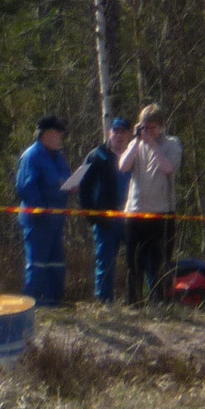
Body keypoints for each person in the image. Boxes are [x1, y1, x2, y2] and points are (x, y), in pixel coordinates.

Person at [118, 104, 182, 306]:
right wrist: (137, 141)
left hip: (161, 212)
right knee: (133, 262)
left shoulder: (171, 143)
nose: (149, 131)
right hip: (135, 212)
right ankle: (133, 302)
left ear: (161, 126)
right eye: (145, 126)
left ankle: (159, 302)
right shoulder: (135, 144)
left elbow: (169, 168)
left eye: (153, 127)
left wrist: (153, 145)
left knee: (158, 262)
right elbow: (123, 166)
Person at [73, 116, 133, 305]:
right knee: (105, 262)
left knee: (136, 260)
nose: (119, 136)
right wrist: (91, 215)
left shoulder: (135, 155)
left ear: (129, 135)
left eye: (123, 132)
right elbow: (83, 188)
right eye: (115, 131)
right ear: (109, 133)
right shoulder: (97, 155)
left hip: (132, 217)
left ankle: (135, 300)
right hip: (105, 219)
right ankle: (104, 302)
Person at [13, 115, 72, 306]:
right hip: (38, 221)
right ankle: (33, 304)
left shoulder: (58, 156)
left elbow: (64, 177)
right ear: (45, 135)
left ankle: (54, 301)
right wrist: (42, 208)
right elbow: (25, 187)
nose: (60, 137)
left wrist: (70, 185)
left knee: (56, 264)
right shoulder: (32, 155)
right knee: (37, 264)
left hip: (56, 219)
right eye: (57, 133)